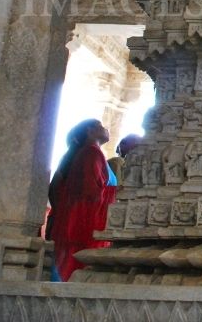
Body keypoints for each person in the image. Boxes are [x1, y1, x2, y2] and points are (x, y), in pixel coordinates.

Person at [47, 119, 117, 282]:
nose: (106, 129)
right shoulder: (92, 153)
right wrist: (121, 192)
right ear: (89, 130)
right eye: (100, 126)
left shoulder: (82, 154)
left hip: (73, 224)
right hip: (86, 227)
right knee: (78, 274)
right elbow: (91, 193)